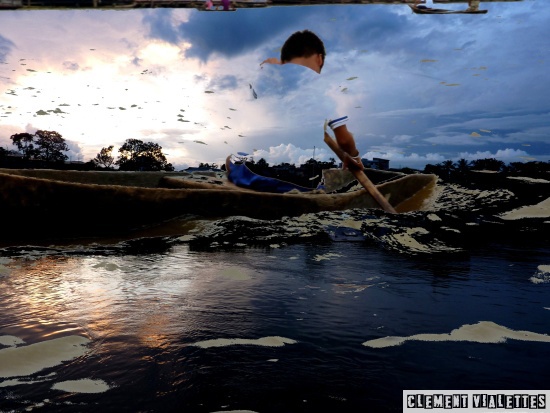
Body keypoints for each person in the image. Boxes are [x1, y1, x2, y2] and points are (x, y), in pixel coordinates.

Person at [261, 30, 363, 170]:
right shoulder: (325, 88)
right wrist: (355, 156)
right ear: (319, 59)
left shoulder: (263, 78)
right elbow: (344, 140)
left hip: (245, 172)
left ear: (284, 59)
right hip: (294, 180)